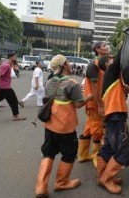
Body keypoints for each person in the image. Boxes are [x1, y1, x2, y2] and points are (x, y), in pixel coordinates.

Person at [34, 55, 92, 197]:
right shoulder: (72, 83)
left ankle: (41, 187)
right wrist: (89, 98)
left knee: (48, 152)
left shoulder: (49, 82)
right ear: (64, 65)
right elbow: (78, 104)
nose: (70, 63)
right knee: (69, 153)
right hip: (65, 127)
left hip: (50, 125)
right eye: (68, 62)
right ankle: (61, 183)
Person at [97, 50, 129, 194]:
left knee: (108, 148)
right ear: (107, 64)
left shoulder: (112, 78)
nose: (113, 59)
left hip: (113, 117)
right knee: (124, 150)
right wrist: (127, 41)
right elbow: (120, 56)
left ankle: (101, 176)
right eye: (110, 59)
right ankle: (106, 179)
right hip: (116, 116)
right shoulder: (111, 71)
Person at [78, 42, 109, 166]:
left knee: (89, 128)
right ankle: (97, 156)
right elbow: (95, 87)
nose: (107, 47)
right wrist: (101, 105)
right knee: (97, 129)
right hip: (94, 102)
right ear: (97, 50)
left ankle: (83, 154)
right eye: (104, 46)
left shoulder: (101, 63)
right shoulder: (94, 64)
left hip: (96, 101)